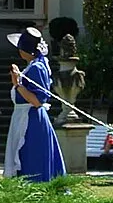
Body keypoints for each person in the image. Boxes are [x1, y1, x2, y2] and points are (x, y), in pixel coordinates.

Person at [4, 28, 66, 182]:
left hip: (30, 120)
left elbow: (38, 100)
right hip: (26, 117)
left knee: (31, 157)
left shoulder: (36, 68)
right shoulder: (35, 65)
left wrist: (17, 85)